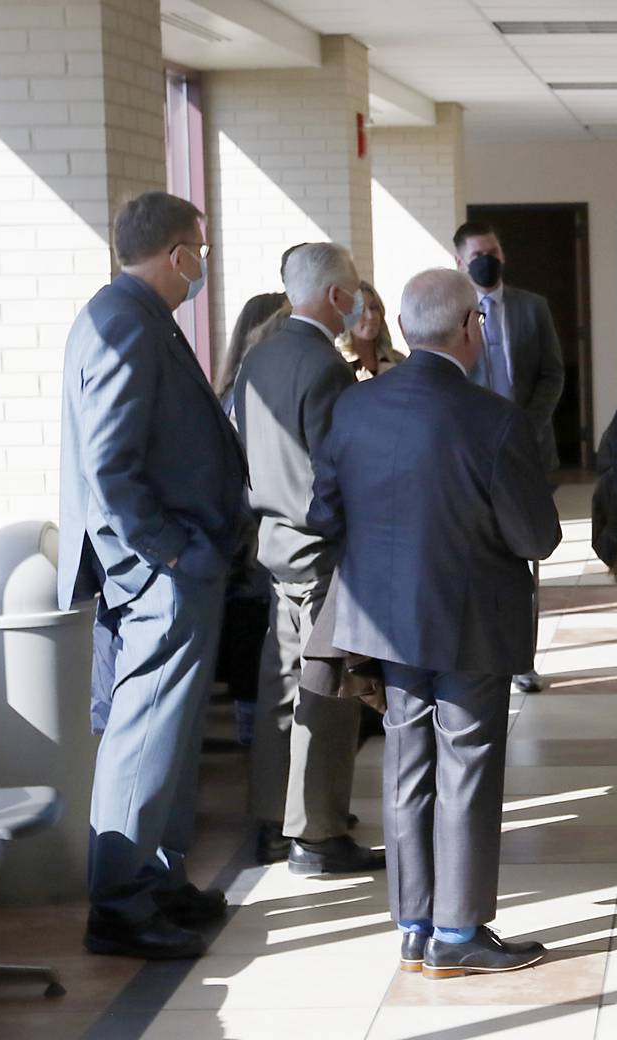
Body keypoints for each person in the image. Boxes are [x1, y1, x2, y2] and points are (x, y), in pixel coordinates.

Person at [309, 267, 562, 978]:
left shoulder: (355, 409)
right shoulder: (494, 418)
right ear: (466, 328)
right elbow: (535, 537)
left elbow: (323, 512)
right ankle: (458, 929)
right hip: (468, 617)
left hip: (381, 619)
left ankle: (416, 924)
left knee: (406, 759)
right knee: (468, 765)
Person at [58, 191, 248, 959]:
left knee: (168, 736)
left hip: (171, 567)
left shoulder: (135, 316)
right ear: (178, 255)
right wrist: (172, 553)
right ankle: (121, 904)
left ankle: (159, 877)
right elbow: (110, 466)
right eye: (198, 253)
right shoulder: (120, 323)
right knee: (143, 735)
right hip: (159, 574)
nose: (201, 267)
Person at [233, 242, 384, 876]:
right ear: (334, 296)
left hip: (272, 547)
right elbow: (332, 472)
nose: (356, 301)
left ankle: (274, 819)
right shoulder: (323, 366)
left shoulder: (257, 358)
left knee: (283, 690)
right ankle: (319, 836)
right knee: (328, 693)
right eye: (352, 290)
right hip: (321, 554)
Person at [453, 220, 565, 695]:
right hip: (472, 453)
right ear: (459, 260)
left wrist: (526, 424)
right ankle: (480, 654)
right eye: (478, 253)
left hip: (529, 448)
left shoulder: (531, 307)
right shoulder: (452, 311)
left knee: (527, 557)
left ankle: (524, 659)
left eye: (493, 250)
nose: (487, 259)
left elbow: (551, 374)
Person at [211, 292, 289, 746]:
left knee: (255, 686)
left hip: (247, 564)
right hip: (252, 564)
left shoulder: (231, 395)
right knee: (259, 687)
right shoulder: (246, 399)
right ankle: (268, 801)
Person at [336, 280, 404, 380]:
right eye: (360, 309)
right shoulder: (337, 365)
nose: (370, 316)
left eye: (374, 308)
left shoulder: (399, 361)